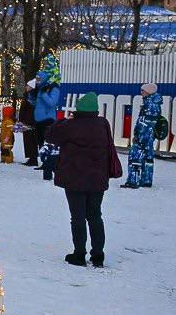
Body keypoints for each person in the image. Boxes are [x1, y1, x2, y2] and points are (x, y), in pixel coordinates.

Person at [48, 91, 121, 267]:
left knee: (78, 217)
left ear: (79, 108)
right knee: (95, 216)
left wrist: (65, 120)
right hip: (98, 178)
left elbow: (50, 135)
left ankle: (79, 254)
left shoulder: (72, 125)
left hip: (74, 178)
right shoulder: (103, 124)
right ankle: (98, 256)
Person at [125, 82, 163, 189]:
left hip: (144, 135)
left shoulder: (150, 104)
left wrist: (138, 136)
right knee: (148, 157)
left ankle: (133, 181)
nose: (141, 92)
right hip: (149, 136)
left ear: (149, 92)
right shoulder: (153, 103)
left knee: (135, 156)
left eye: (143, 90)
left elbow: (146, 123)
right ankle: (146, 180)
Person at [19, 82, 39, 167]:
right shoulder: (28, 95)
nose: (26, 87)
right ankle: (31, 157)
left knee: (30, 140)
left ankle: (33, 158)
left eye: (28, 86)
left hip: (30, 121)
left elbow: (28, 109)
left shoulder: (32, 97)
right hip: (27, 120)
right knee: (28, 140)